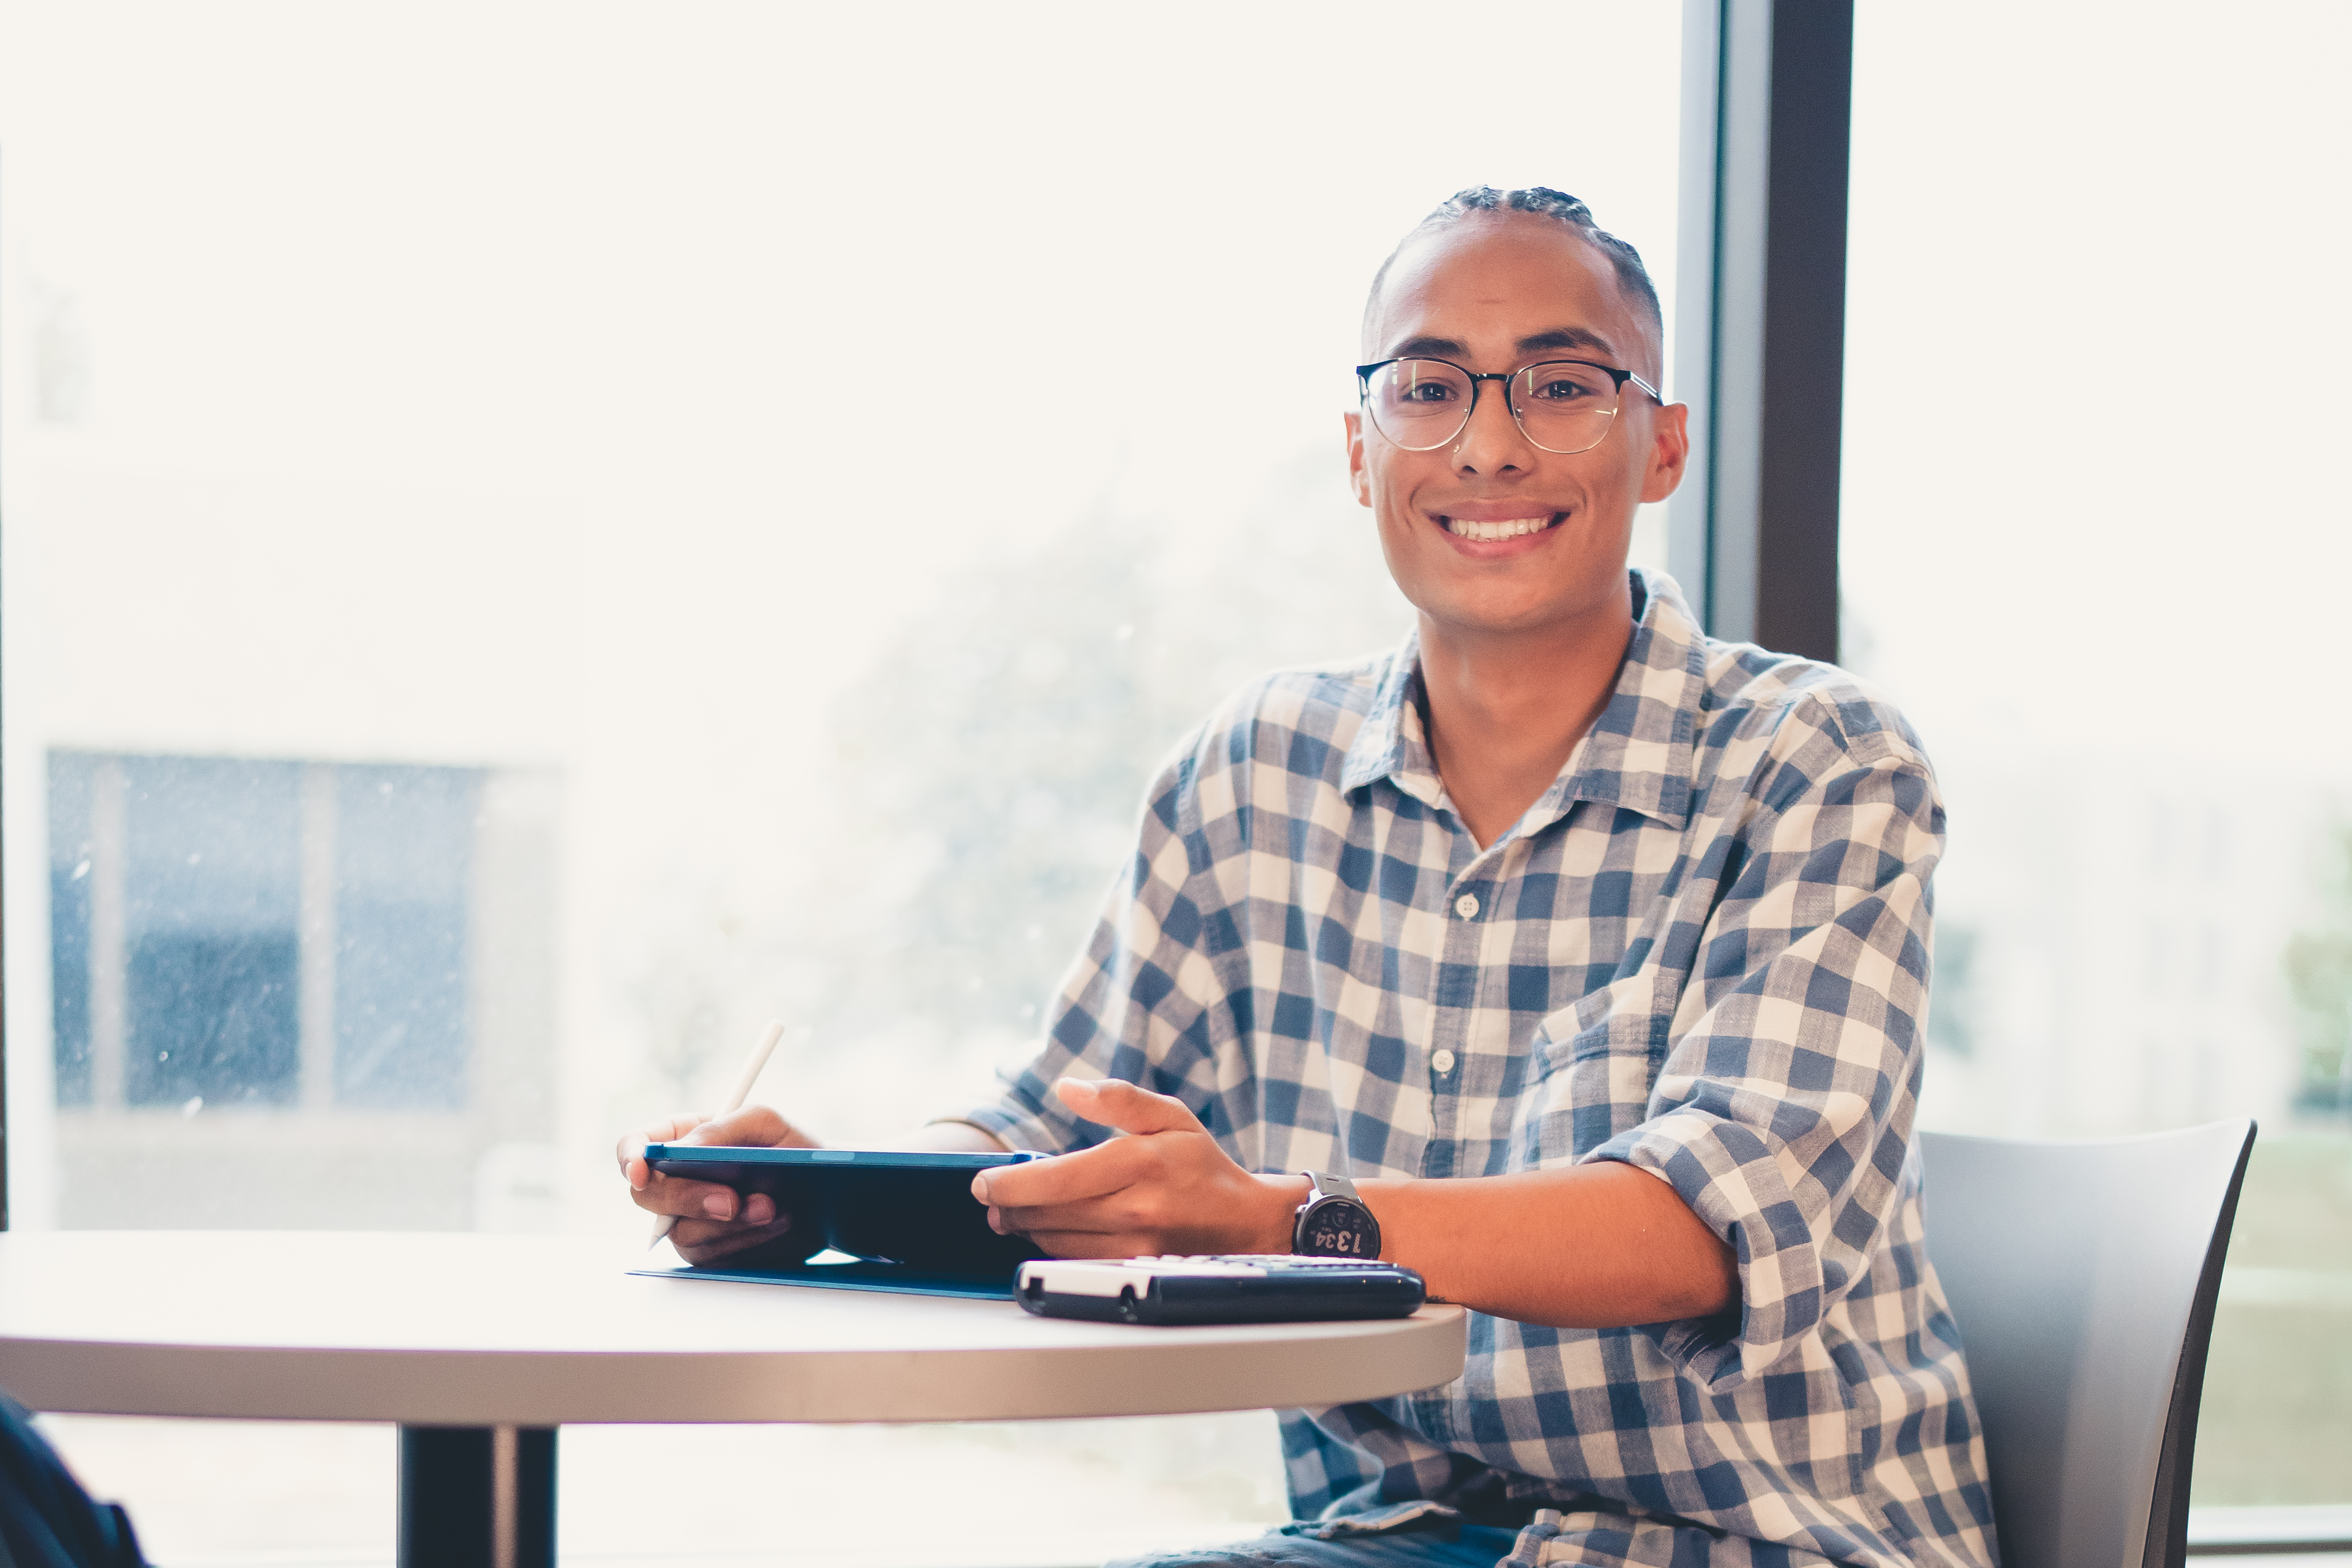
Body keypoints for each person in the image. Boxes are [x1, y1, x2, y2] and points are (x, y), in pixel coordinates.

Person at [619, 186, 1997, 1568]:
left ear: (1661, 447)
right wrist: (829, 1199)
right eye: (1431, 388)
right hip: (1394, 1539)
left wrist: (1283, 1218)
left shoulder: (1819, 760)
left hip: (1762, 1546)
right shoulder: (1256, 770)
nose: (1492, 446)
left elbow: (1705, 1228)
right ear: (1360, 451)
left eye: (1563, 387)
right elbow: (1056, 1136)